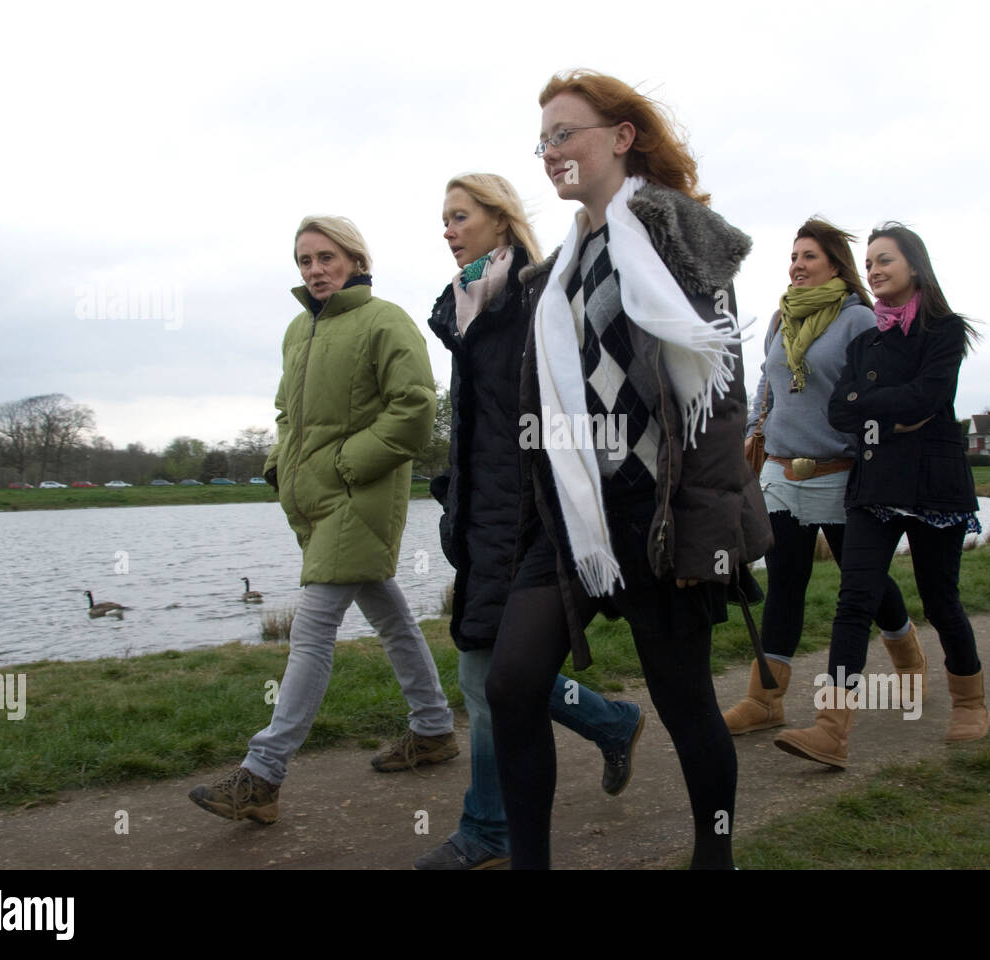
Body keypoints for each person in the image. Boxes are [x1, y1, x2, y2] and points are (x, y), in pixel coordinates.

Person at [485, 70, 773, 870]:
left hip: (662, 511)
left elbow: (719, 402)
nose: (550, 152)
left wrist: (705, 533)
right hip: (577, 519)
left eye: (564, 133)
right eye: (541, 140)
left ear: (620, 137)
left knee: (686, 708)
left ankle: (714, 858)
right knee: (510, 685)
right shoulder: (555, 274)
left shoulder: (683, 233)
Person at [189, 215, 456, 824]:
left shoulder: (385, 320)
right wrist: (279, 464)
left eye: (326, 258)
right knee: (392, 617)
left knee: (309, 634)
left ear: (355, 260)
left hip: (358, 497)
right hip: (315, 501)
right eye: (305, 261)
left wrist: (343, 465)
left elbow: (415, 409)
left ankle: (262, 776)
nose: (314, 271)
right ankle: (435, 728)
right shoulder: (296, 331)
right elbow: (287, 411)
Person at [417, 173, 645, 870]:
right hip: (482, 517)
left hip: (530, 519)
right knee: (493, 676)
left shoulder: (539, 296)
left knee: (489, 680)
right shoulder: (466, 306)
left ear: (500, 218)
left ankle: (491, 825)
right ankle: (610, 720)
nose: (448, 231)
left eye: (459, 217)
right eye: (444, 220)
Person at [776, 222, 988, 768]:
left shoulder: (944, 331)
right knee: (854, 600)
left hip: (934, 488)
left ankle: (969, 700)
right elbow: (840, 409)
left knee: (940, 600)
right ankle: (831, 729)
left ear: (914, 267)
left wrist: (879, 405)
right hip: (875, 484)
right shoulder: (868, 337)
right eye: (868, 263)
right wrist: (895, 418)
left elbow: (929, 395)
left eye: (884, 261)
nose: (873, 271)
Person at [723, 219, 922, 739]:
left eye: (808, 256)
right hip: (781, 472)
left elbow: (877, 394)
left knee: (867, 584)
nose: (797, 265)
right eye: (792, 256)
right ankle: (765, 699)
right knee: (786, 581)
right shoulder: (778, 320)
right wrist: (748, 440)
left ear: (835, 263)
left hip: (840, 472)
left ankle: (910, 661)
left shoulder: (860, 321)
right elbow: (765, 388)